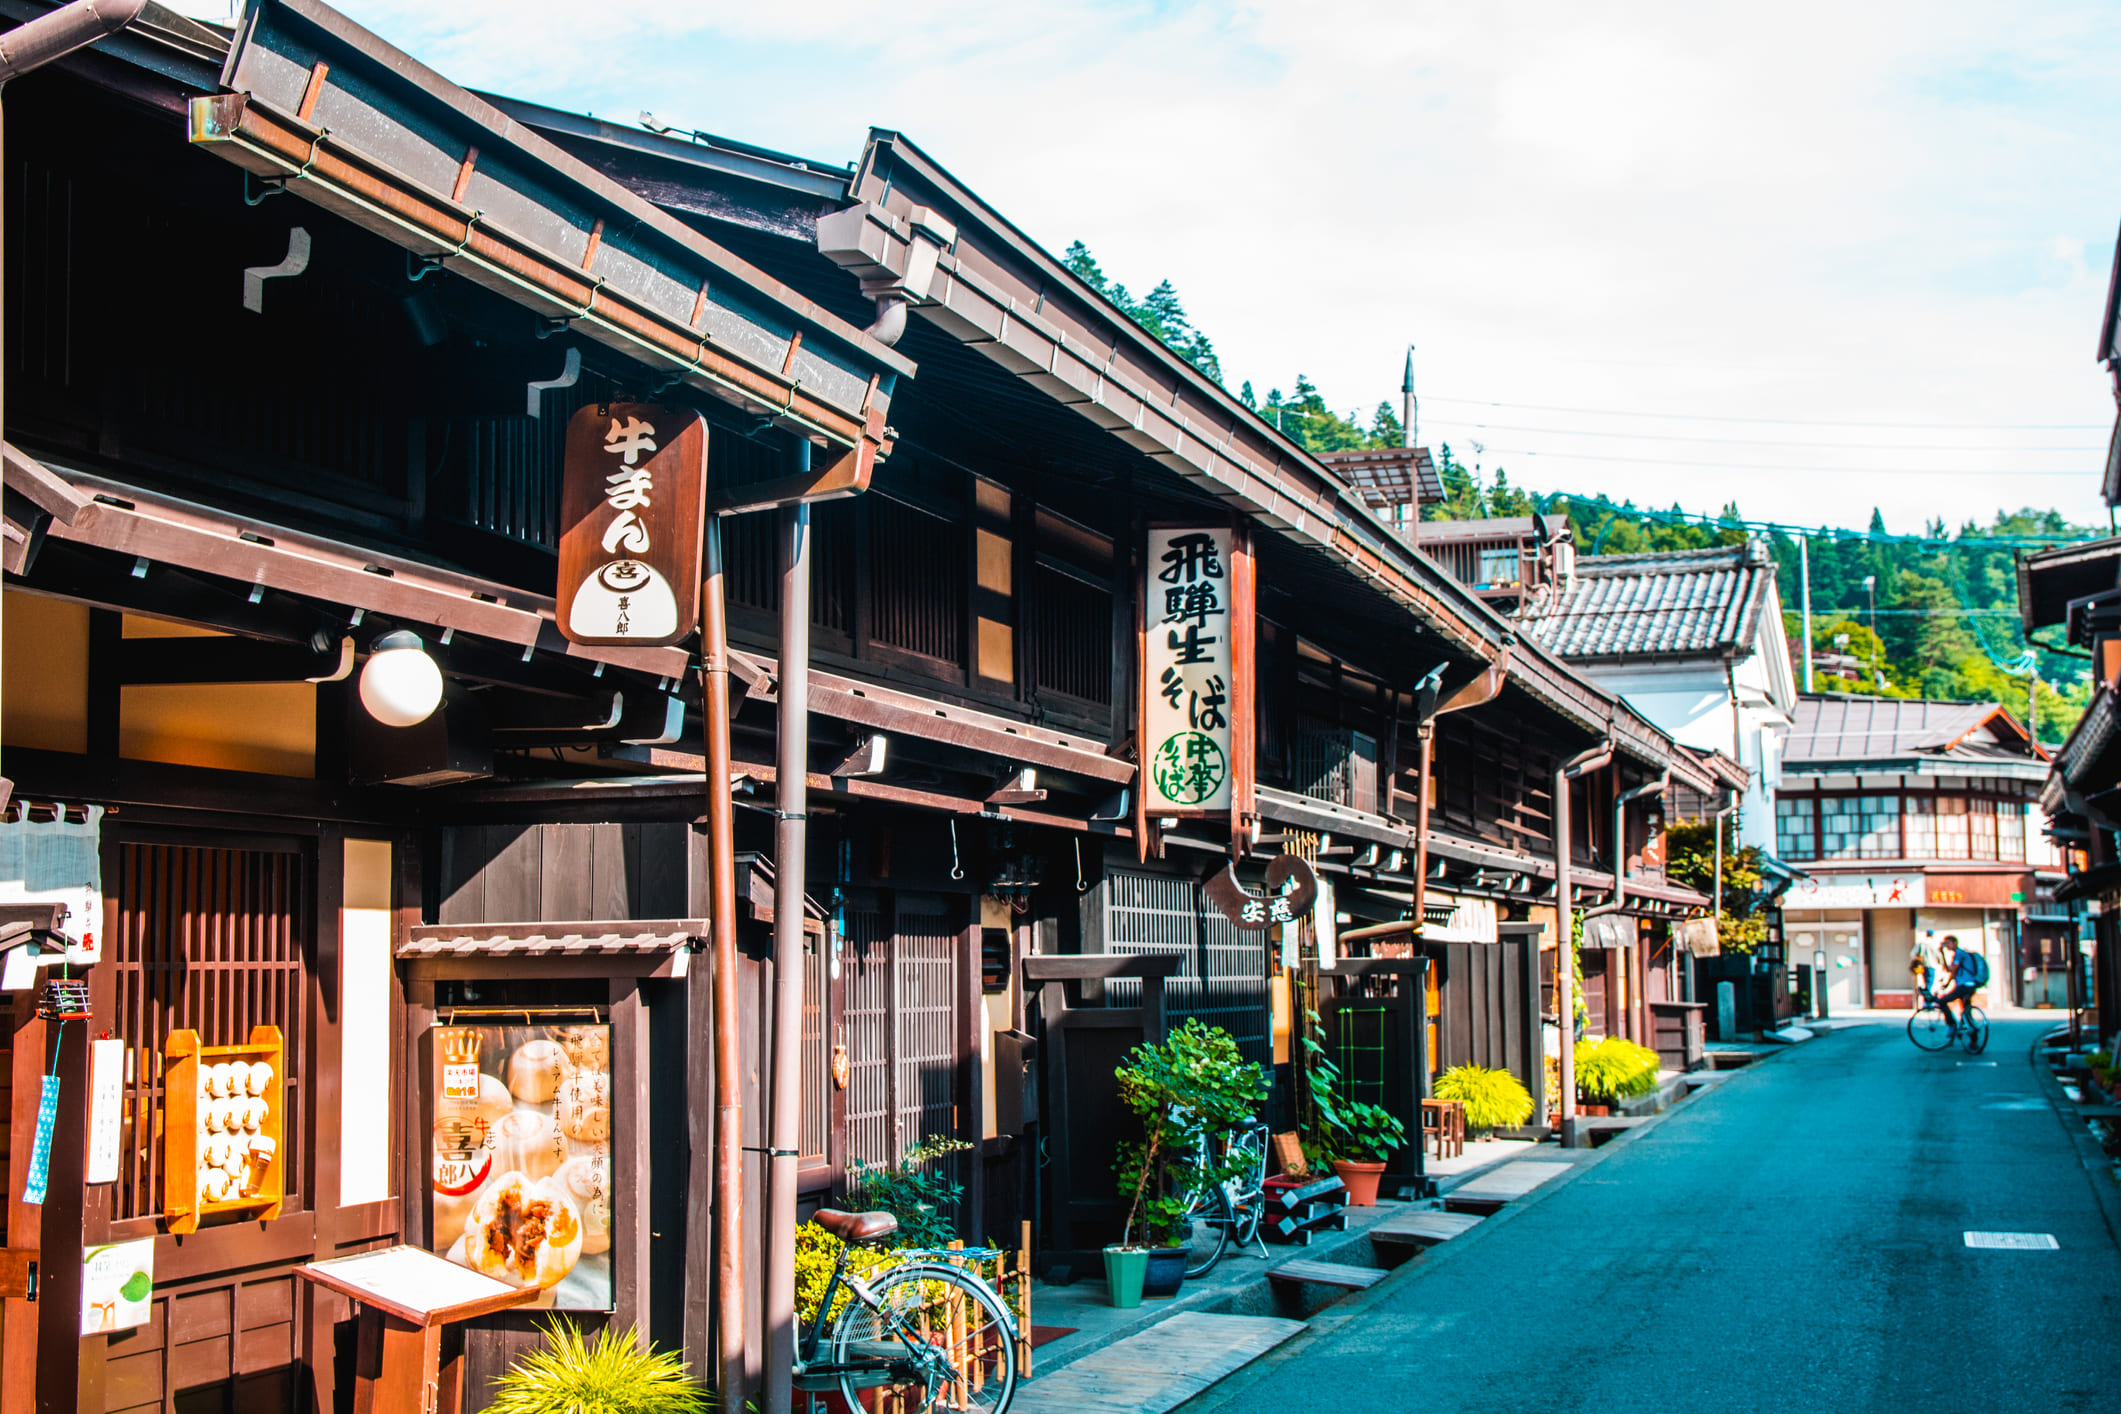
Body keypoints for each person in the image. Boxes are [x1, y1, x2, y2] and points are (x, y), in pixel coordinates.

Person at [1934, 935, 1981, 1035]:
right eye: (1945, 944)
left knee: (1942, 1001)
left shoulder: (1959, 954)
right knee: (1966, 1011)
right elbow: (1949, 969)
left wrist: (1947, 983)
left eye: (1948, 943)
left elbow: (1953, 970)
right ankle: (1973, 1041)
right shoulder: (1959, 954)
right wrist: (1942, 954)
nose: (1947, 946)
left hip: (1964, 986)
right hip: (1969, 986)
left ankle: (1952, 1025)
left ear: (1954, 942)